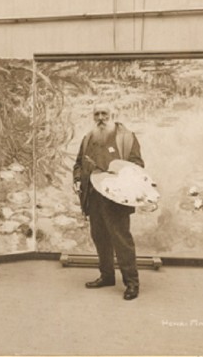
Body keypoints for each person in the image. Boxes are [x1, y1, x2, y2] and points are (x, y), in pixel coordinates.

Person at [73, 103, 144, 300]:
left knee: (121, 239)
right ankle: (107, 276)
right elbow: (78, 164)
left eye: (104, 113)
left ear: (112, 115)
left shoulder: (126, 138)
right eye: (97, 114)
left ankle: (132, 282)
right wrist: (77, 179)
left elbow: (137, 164)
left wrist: (118, 175)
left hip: (116, 198)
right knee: (100, 237)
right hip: (93, 197)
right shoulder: (89, 138)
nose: (100, 118)